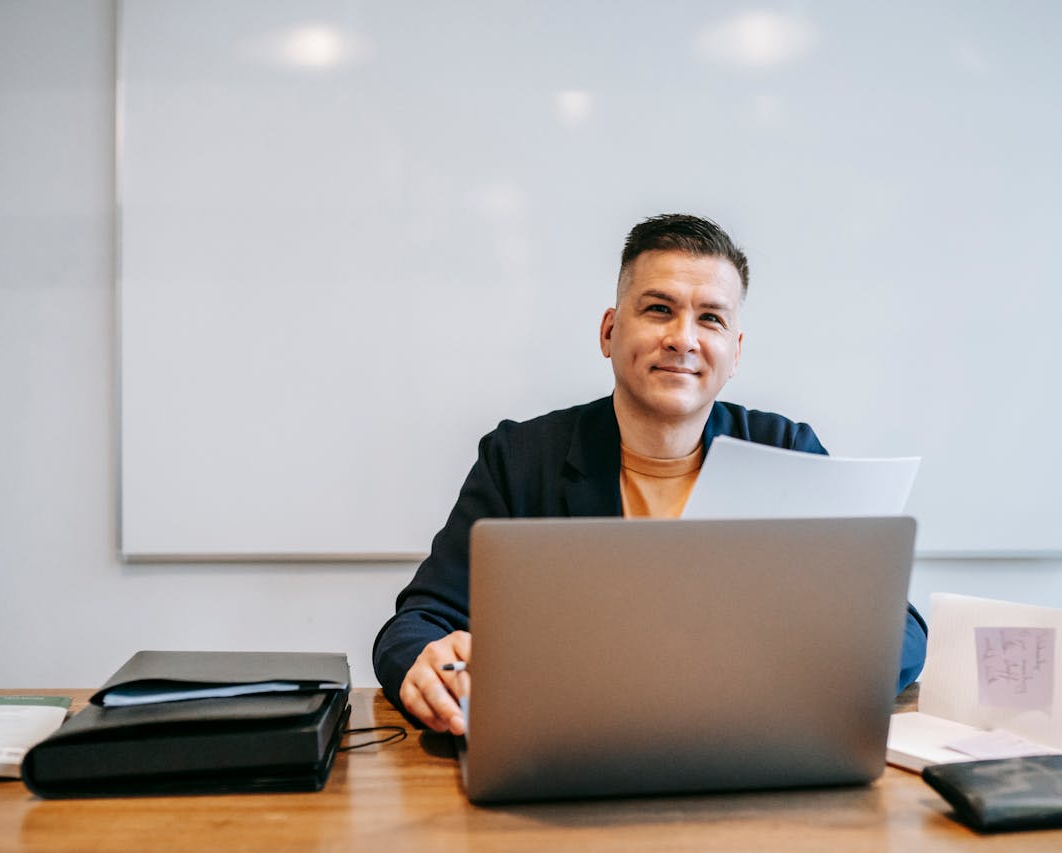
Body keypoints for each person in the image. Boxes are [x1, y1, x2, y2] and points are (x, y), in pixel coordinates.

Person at [372, 213, 928, 734]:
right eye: (659, 309)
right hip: (572, 747)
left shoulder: (788, 452)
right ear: (610, 332)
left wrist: (802, 680)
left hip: (747, 746)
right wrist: (422, 663)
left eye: (710, 318)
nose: (683, 337)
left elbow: (898, 625)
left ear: (734, 353)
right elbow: (419, 623)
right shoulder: (520, 458)